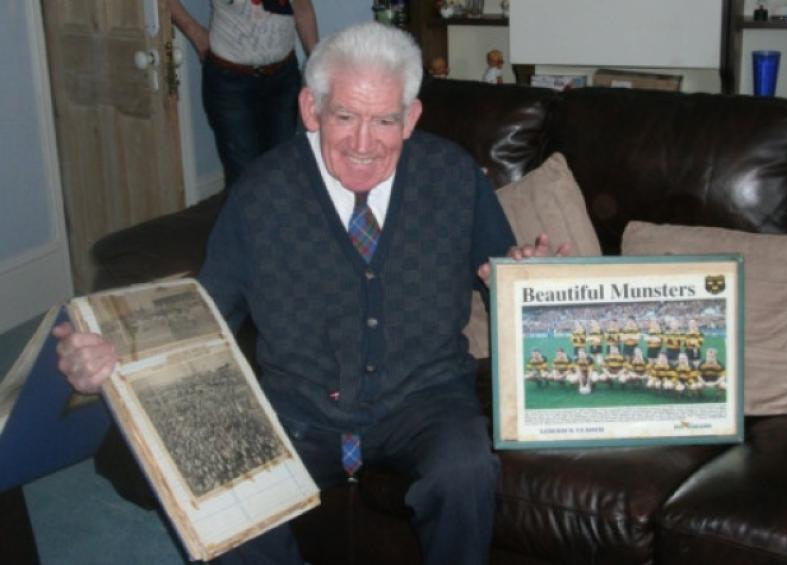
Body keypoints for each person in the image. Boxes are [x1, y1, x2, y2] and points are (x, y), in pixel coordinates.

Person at [54, 22, 568, 565]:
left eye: (384, 120)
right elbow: (205, 317)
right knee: (222, 495)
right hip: (295, 409)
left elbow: (507, 284)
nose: (364, 143)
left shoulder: (454, 179)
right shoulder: (260, 195)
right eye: (345, 116)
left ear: (410, 118)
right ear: (310, 109)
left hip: (426, 400)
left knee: (465, 471)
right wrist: (117, 356)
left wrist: (529, 283)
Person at [168, 0, 319, 189]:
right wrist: (194, 32)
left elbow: (302, 8)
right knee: (243, 178)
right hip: (230, 83)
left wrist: (318, 66)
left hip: (282, 80)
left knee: (282, 171)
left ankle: (275, 218)